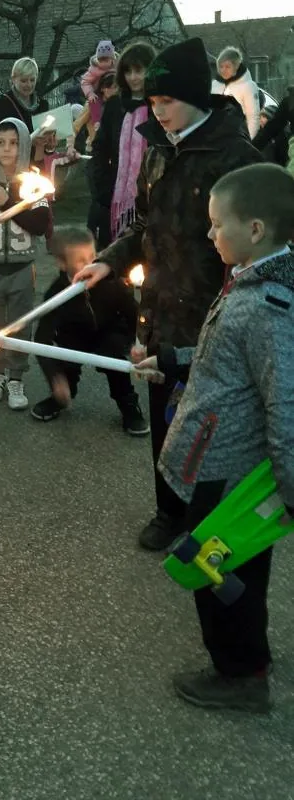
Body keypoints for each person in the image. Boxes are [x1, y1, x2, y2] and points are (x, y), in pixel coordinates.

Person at [74, 36, 264, 551]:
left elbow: (255, 247)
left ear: (196, 99)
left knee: (211, 425)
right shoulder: (158, 152)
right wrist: (108, 261)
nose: (156, 112)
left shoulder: (233, 156)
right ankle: (168, 510)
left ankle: (213, 522)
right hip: (160, 308)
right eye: (152, 103)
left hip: (212, 316)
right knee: (165, 414)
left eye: (166, 102)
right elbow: (145, 227)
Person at [136, 163, 294, 713]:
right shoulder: (249, 281)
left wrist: (289, 490)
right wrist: (175, 361)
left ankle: (241, 675)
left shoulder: (270, 306)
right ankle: (243, 656)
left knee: (221, 572)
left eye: (216, 224)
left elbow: (286, 403)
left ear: (254, 229)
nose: (209, 234)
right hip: (215, 456)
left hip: (231, 470)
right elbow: (225, 360)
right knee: (228, 570)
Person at [30, 226, 148, 435]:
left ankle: (128, 405)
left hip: (109, 332)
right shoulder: (56, 293)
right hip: (74, 335)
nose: (90, 264)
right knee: (65, 359)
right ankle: (62, 394)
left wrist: (138, 342)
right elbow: (42, 338)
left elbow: (133, 312)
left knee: (116, 364)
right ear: (62, 263)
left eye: (93, 256)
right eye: (81, 260)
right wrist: (55, 378)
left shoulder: (111, 283)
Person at [0, 119, 51, 410]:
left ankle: (17, 378)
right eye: (1, 142)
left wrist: (8, 202)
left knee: (19, 325)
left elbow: (40, 224)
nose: (7, 149)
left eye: (14, 142)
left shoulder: (32, 181)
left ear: (24, 145)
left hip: (21, 269)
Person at [90, 42, 156, 247]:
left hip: (152, 197)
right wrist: (103, 188)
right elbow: (100, 149)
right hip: (115, 198)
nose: (133, 77)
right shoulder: (114, 106)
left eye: (139, 71)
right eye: (128, 71)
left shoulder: (159, 106)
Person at [0, 57, 49, 133]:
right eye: (24, 80)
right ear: (13, 79)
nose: (29, 85)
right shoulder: (2, 104)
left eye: (32, 80)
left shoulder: (43, 105)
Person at [212, 46, 260, 139]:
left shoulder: (248, 86)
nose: (223, 70)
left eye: (227, 66)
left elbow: (253, 117)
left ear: (236, 66)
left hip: (238, 138)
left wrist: (249, 142)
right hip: (215, 139)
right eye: (221, 66)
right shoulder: (214, 85)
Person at [80, 39, 118, 136]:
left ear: (112, 59)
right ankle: (97, 121)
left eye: (106, 60)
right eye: (101, 60)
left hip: (115, 92)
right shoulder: (94, 70)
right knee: (94, 102)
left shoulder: (117, 67)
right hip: (97, 93)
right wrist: (90, 93)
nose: (103, 63)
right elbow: (85, 82)